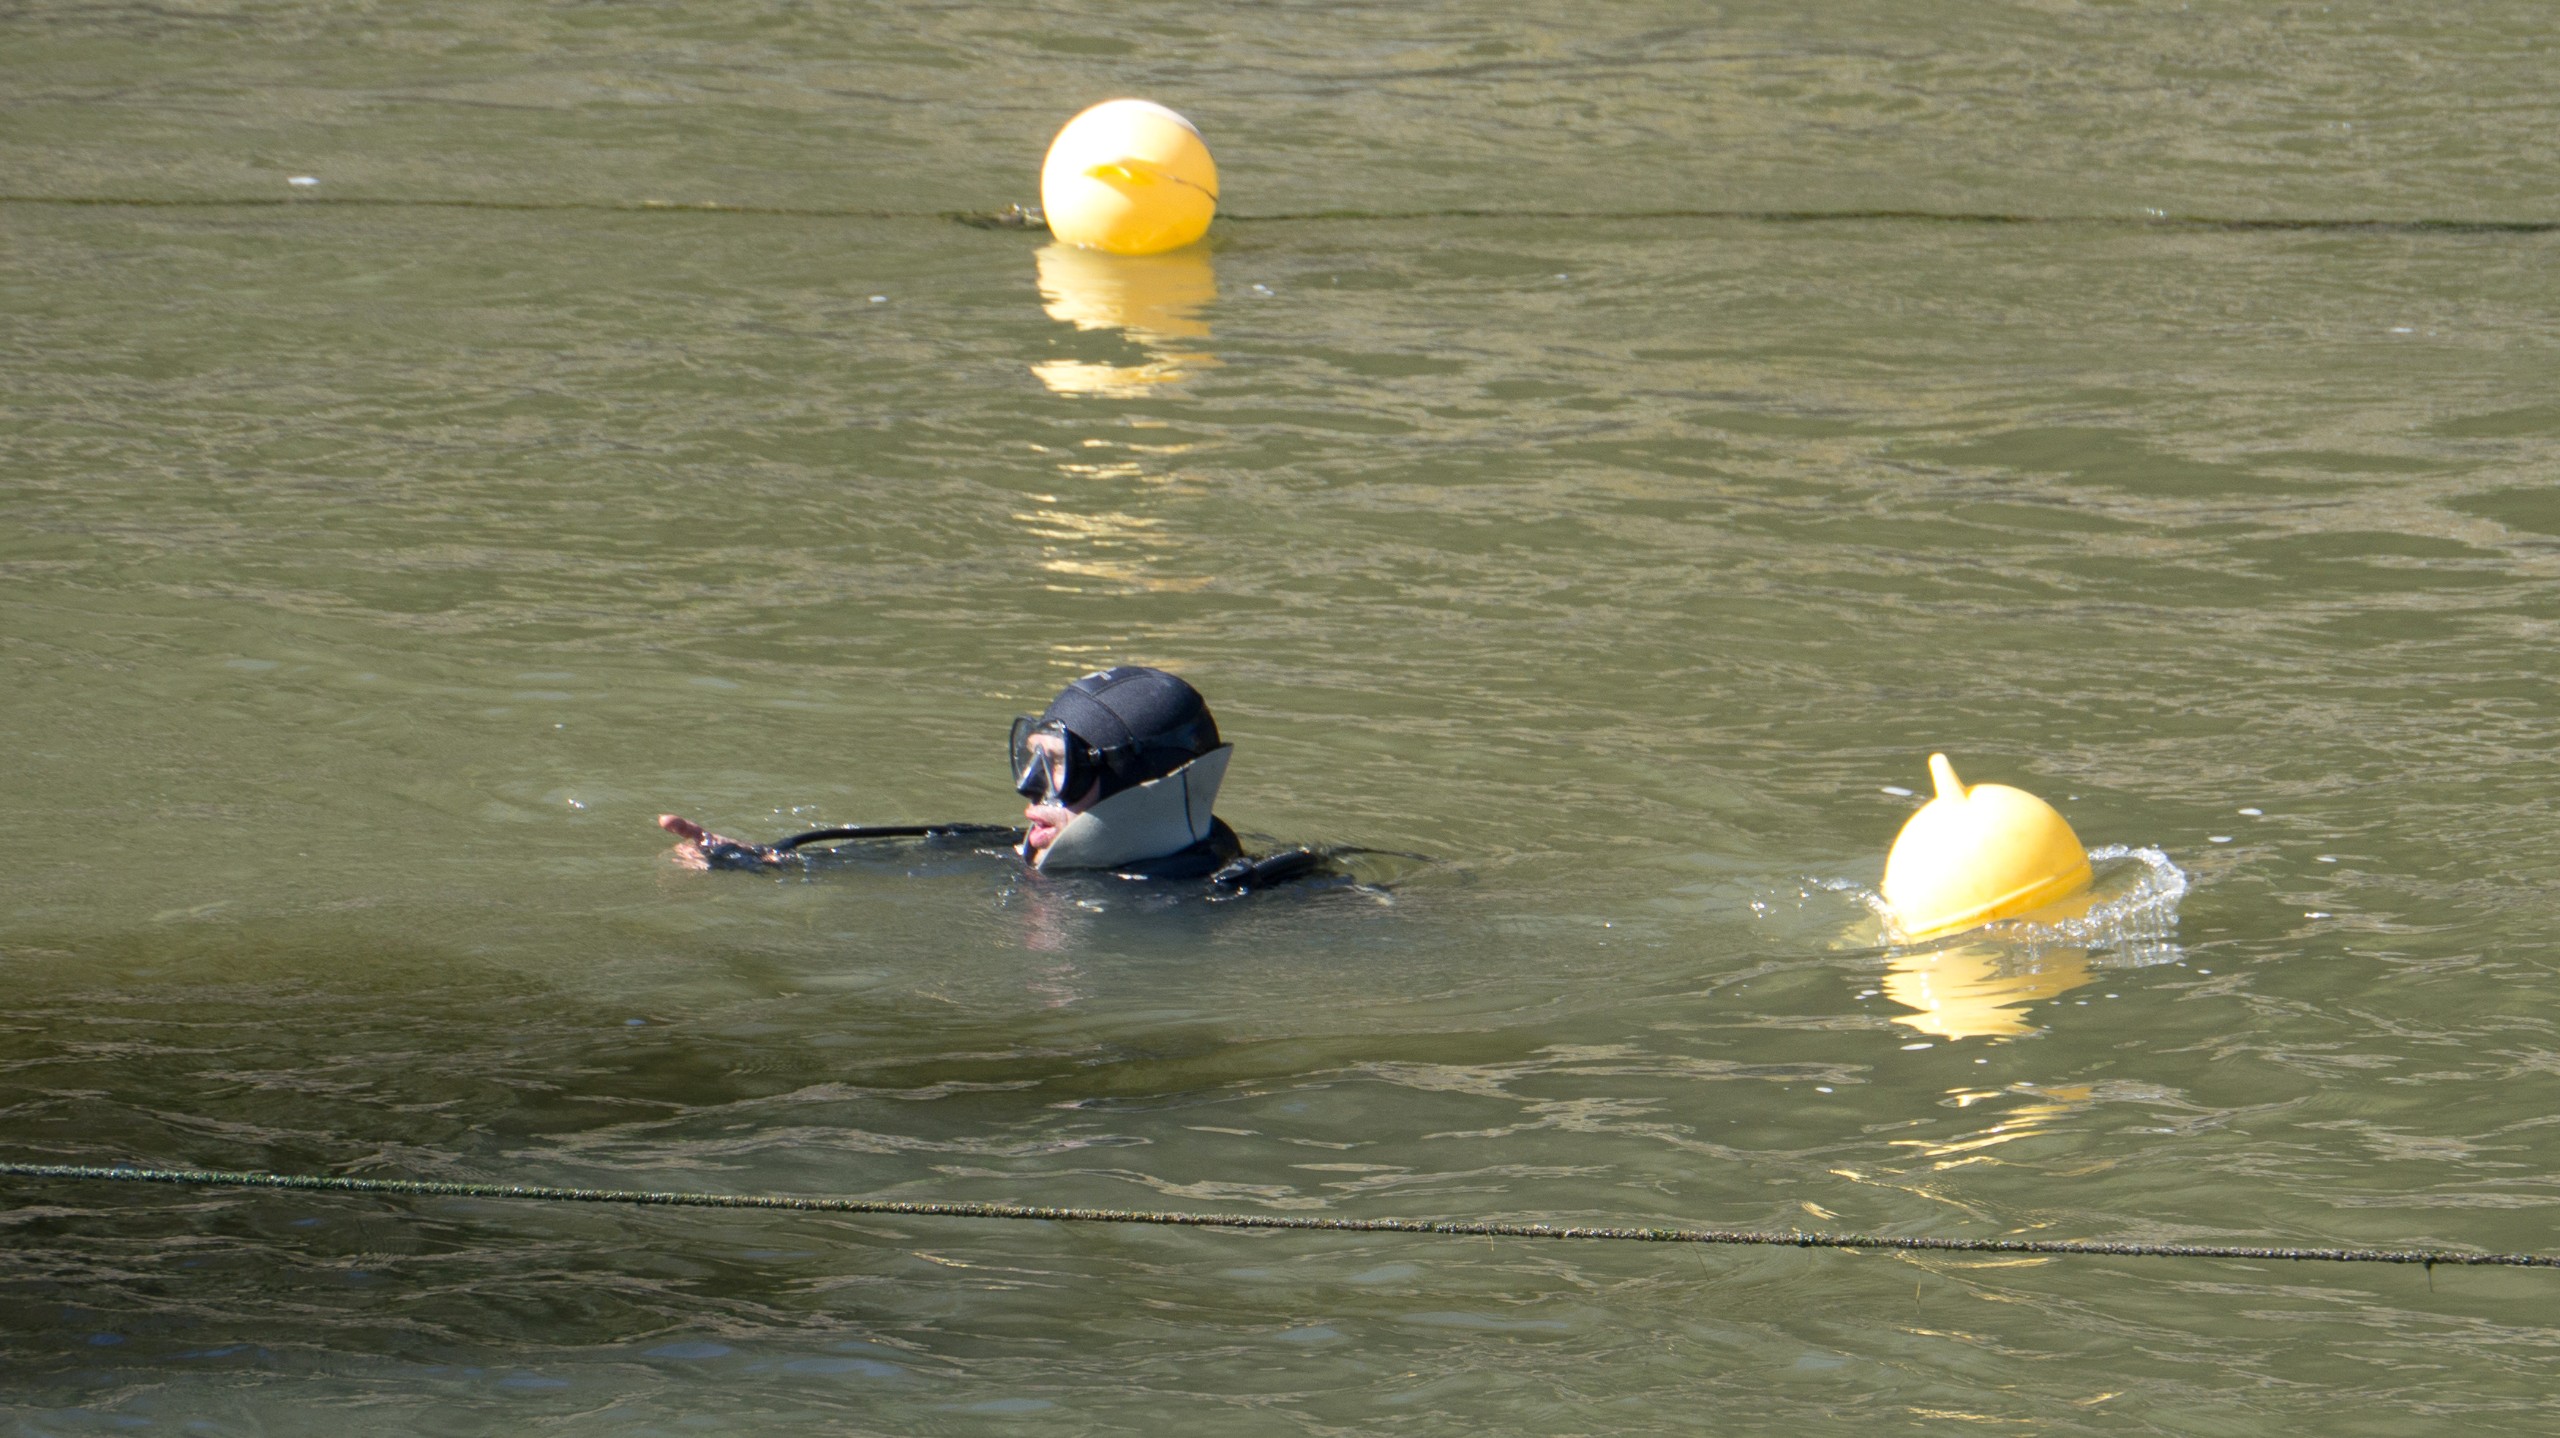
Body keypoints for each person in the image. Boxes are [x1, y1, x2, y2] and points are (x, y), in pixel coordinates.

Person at [659, 665, 1355, 892]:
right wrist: (751, 863)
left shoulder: (1253, 895)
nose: (1032, 794)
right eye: (1031, 759)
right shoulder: (1000, 857)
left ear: (1139, 780)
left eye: (1061, 768)